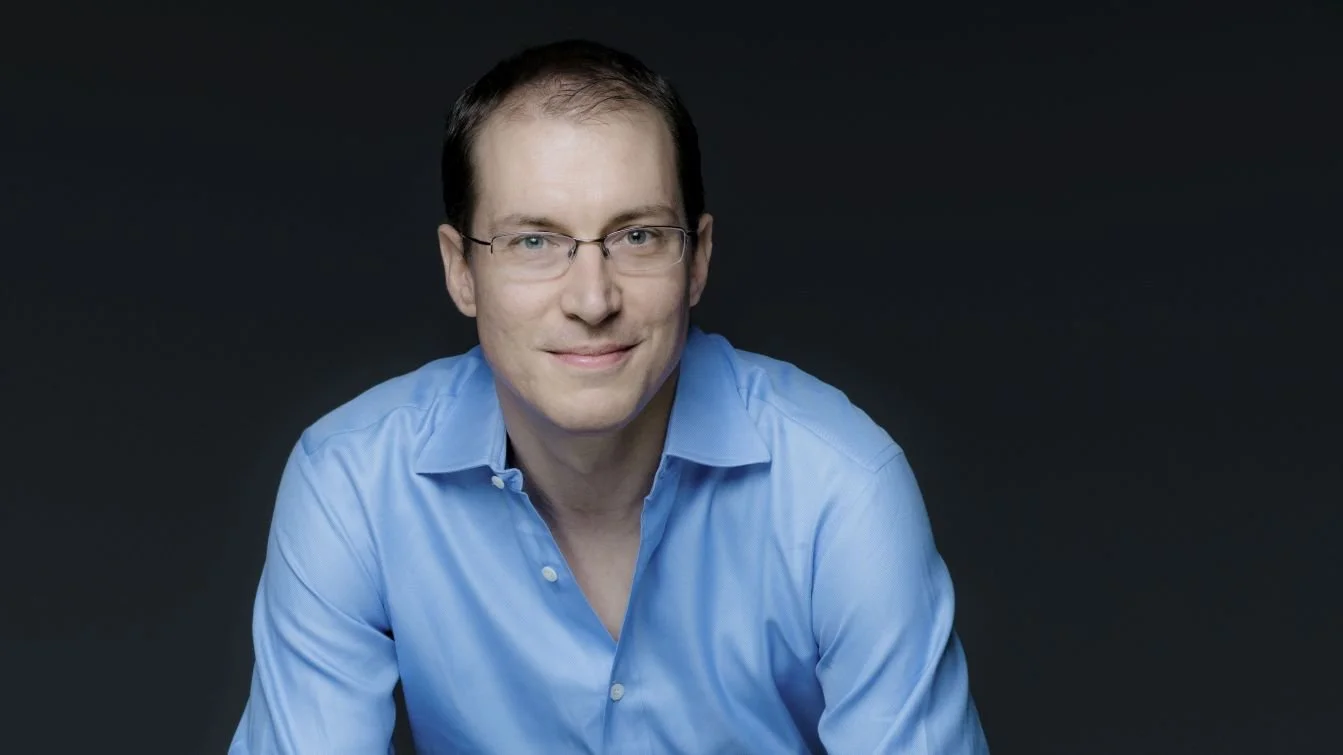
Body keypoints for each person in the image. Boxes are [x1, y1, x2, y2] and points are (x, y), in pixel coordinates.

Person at [229, 39, 989, 754]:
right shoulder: (352, 482)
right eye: (534, 241)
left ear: (697, 258)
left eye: (637, 236)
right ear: (461, 270)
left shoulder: (839, 487)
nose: (592, 300)